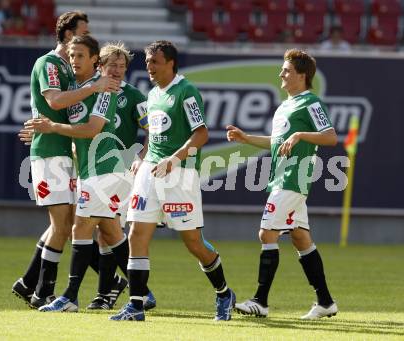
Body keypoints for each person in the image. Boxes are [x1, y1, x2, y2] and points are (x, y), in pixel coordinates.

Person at [110, 40, 236, 322]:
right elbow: (152, 136)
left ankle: (224, 293)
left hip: (180, 173)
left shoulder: (186, 91)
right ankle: (136, 305)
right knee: (136, 233)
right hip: (151, 171)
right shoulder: (153, 94)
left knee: (193, 242)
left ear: (171, 63)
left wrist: (174, 159)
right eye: (147, 62)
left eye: (155, 61)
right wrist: (142, 157)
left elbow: (201, 134)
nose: (149, 67)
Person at [11, 11, 119, 309]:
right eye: (82, 30)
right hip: (50, 152)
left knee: (68, 223)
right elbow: (55, 101)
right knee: (63, 225)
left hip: (65, 150)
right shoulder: (49, 64)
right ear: (68, 33)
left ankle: (30, 284)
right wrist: (93, 87)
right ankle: (43, 291)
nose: (85, 34)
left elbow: (63, 112)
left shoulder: (70, 70)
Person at [226, 49, 338, 320]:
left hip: (293, 179)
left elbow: (331, 138)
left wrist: (300, 134)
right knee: (300, 238)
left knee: (267, 234)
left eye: (286, 70)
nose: (281, 74)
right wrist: (246, 138)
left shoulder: (310, 102)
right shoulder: (285, 106)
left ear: (302, 75)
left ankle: (260, 301)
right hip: (282, 177)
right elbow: (277, 143)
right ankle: (325, 301)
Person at [85, 41, 152, 311]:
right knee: (95, 231)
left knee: (106, 229)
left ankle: (106, 293)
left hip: (120, 171)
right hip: (92, 169)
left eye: (122, 66)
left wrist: (142, 158)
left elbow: (152, 131)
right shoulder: (89, 91)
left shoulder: (134, 96)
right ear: (100, 65)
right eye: (112, 64)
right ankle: (125, 287)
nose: (118, 70)